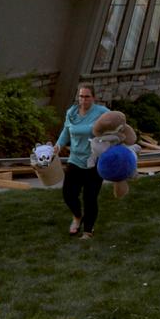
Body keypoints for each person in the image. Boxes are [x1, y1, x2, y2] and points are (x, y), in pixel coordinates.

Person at [54, 83, 109, 239]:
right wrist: (58, 146)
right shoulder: (71, 113)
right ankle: (77, 216)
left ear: (93, 97)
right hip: (75, 160)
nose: (83, 100)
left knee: (90, 198)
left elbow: (116, 124)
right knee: (68, 194)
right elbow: (66, 131)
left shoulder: (102, 112)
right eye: (81, 96)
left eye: (87, 96)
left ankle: (88, 231)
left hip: (94, 161)